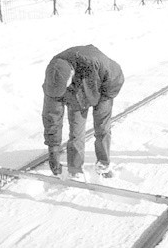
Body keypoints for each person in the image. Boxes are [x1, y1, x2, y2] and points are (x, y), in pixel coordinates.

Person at [42, 44, 124, 179]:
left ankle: (103, 163)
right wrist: (53, 148)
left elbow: (111, 80)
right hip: (79, 88)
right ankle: (75, 169)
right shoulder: (54, 74)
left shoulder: (91, 64)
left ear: (71, 75)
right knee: (76, 131)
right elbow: (52, 115)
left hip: (106, 84)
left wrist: (99, 97)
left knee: (102, 127)